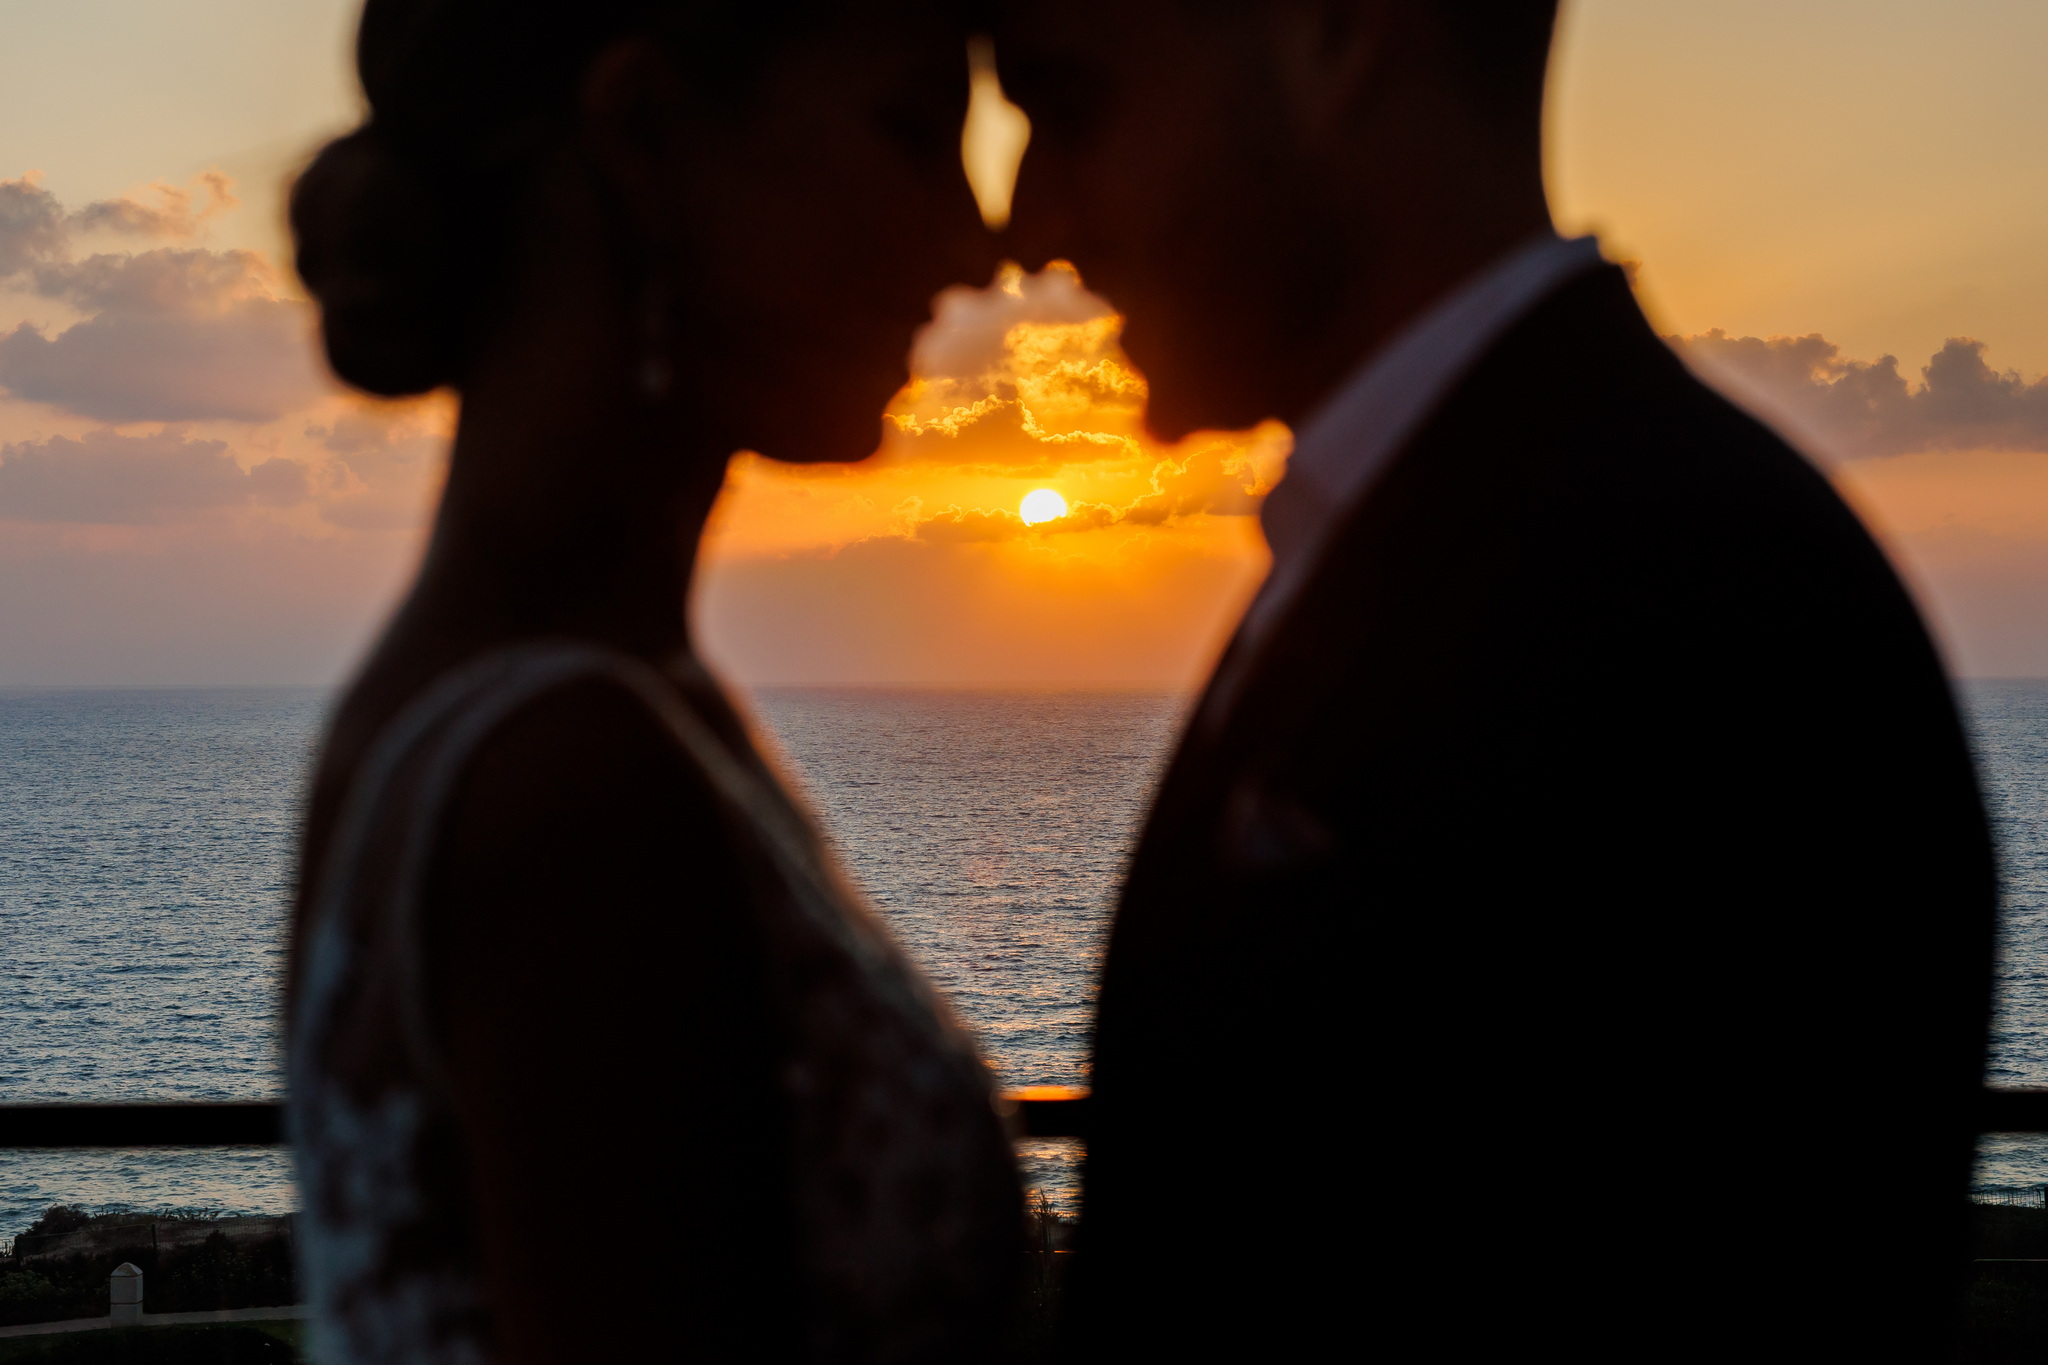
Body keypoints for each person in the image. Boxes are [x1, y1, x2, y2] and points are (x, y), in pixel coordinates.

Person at [994, 1, 1996, 1358]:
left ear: (1339, 36)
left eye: (1068, 97)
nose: (1024, 213)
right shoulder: (1496, 536)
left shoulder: (1705, 612)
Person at [284, 3, 1021, 1362]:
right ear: (644, 135)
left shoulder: (541, 704)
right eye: (912, 133)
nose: (975, 242)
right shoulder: (567, 782)